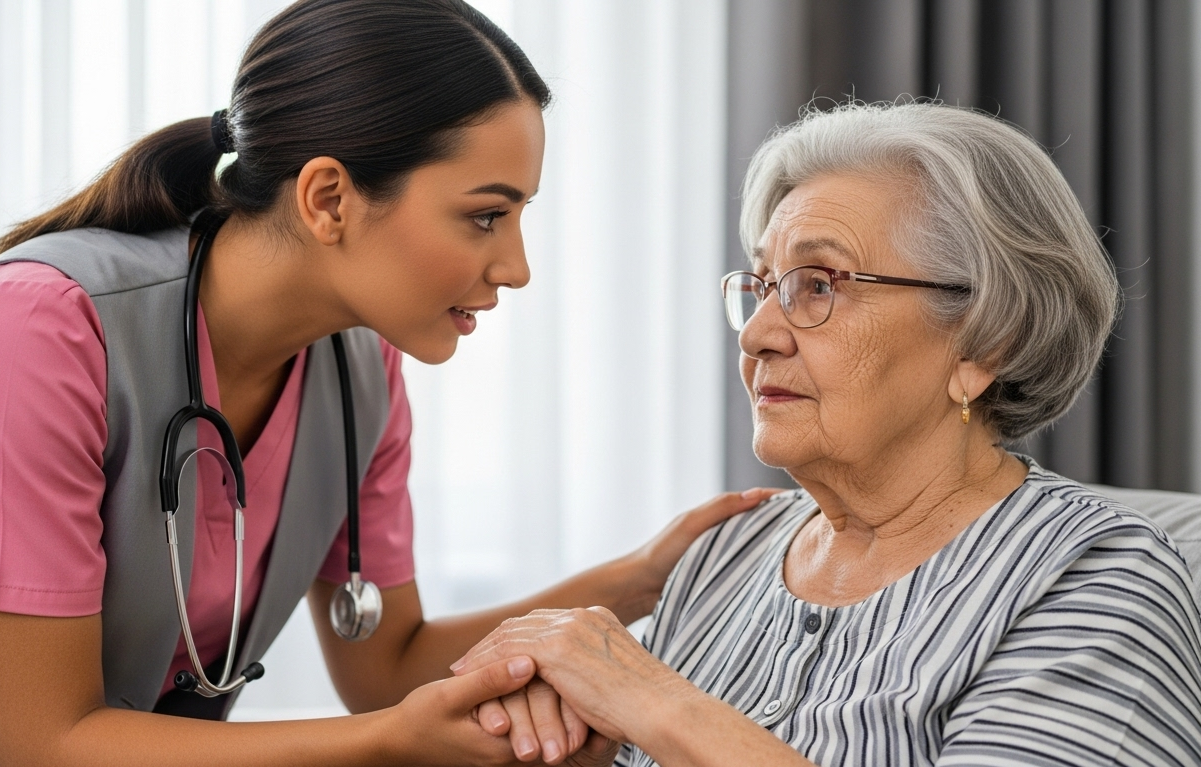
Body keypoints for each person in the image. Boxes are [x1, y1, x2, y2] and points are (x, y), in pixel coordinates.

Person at [0, 1, 774, 764]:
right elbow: (40, 739)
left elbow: (387, 667)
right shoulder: (45, 330)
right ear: (328, 199)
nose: (517, 268)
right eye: (484, 216)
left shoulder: (360, 370)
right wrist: (389, 742)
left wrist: (641, 579)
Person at [451, 102, 1201, 766]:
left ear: (983, 345)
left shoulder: (1095, 579)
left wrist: (650, 697)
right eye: (761, 286)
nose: (758, 336)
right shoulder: (725, 551)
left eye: (819, 285)